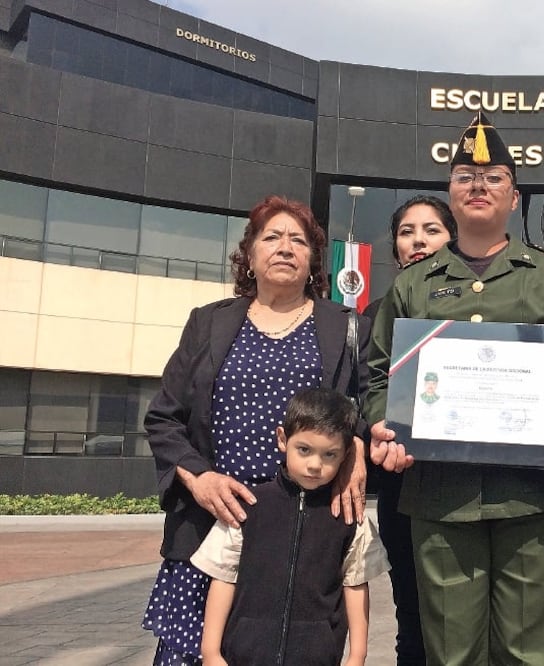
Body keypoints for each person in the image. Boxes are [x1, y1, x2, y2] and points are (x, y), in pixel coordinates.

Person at [365, 111, 544, 666]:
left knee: (530, 651)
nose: (479, 185)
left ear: (514, 198)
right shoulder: (413, 286)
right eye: (466, 175)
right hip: (442, 497)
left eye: (494, 177)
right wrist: (383, 421)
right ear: (451, 193)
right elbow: (379, 374)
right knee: (452, 652)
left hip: (534, 496)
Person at [141, 195, 371, 665]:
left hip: (302, 539)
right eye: (272, 237)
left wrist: (357, 452)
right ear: (249, 254)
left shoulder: (345, 328)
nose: (285, 247)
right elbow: (164, 417)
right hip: (213, 526)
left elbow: (367, 407)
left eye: (298, 240)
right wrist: (197, 478)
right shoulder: (209, 323)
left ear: (313, 260)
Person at [191, 388, 390, 666]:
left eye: (329, 455)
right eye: (304, 450)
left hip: (317, 657)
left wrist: (357, 655)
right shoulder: (248, 506)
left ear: (346, 455)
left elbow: (356, 584)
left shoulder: (348, 517)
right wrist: (211, 652)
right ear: (283, 439)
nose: (315, 465)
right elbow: (223, 576)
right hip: (245, 655)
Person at [361, 194, 457, 666]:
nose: (418, 240)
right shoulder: (377, 312)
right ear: (396, 247)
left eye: (432, 229)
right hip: (405, 483)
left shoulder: (487, 304)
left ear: (452, 238)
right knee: (414, 619)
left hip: (472, 483)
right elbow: (368, 387)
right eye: (406, 232)